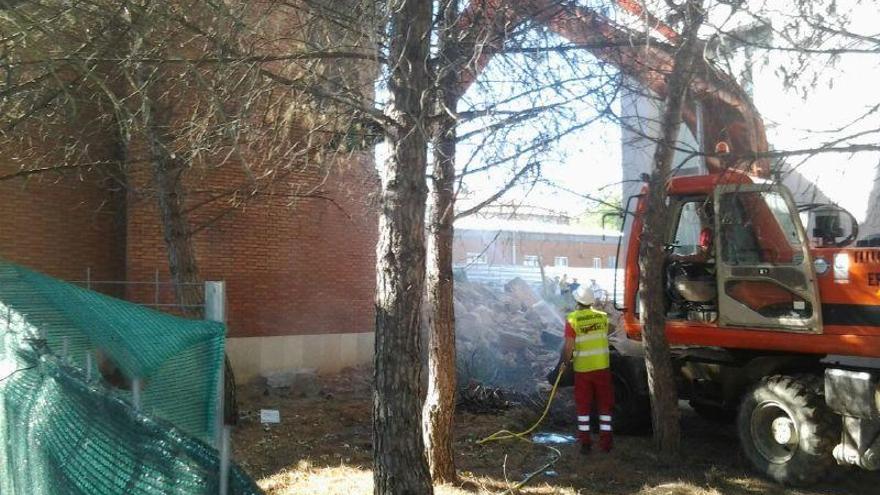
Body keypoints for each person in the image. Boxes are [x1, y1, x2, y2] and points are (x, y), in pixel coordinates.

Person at [558, 285, 613, 454]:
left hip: (583, 370)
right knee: (605, 406)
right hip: (602, 368)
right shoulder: (603, 317)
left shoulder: (572, 319)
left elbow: (568, 347)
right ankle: (606, 444)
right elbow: (609, 330)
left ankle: (585, 442)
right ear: (591, 302)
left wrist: (565, 363)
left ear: (577, 301)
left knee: (583, 407)